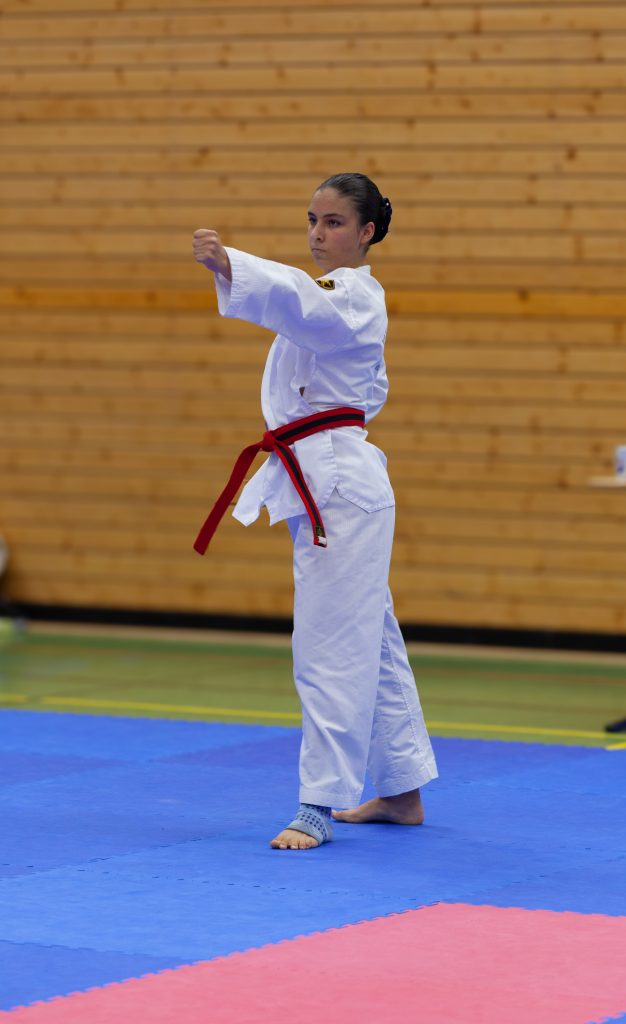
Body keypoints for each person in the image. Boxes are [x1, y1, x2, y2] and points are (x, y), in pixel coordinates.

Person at [192, 173, 438, 850]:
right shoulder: (334, 293)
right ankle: (401, 790)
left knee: (328, 644)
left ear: (367, 232)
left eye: (333, 223)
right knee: (371, 641)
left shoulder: (351, 295)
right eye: (311, 220)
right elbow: (302, 307)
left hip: (338, 486)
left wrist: (231, 264)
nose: (317, 234)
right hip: (324, 477)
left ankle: (317, 803)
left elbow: (301, 304)